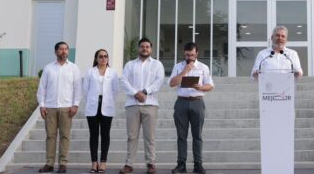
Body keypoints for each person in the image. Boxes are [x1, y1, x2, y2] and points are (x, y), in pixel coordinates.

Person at [120, 38, 166, 174]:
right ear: (138, 48)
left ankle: (151, 163)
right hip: (132, 104)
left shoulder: (157, 64)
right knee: (131, 136)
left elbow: (159, 81)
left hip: (150, 104)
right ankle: (129, 164)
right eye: (142, 46)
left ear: (151, 49)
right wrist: (135, 93)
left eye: (147, 47)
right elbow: (124, 80)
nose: (145, 49)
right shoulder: (129, 65)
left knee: (150, 136)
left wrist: (145, 92)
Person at [36, 41, 83, 173]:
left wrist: (75, 104)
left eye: (66, 49)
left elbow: (78, 88)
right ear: (56, 51)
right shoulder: (48, 68)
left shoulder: (73, 68)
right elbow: (42, 87)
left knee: (65, 136)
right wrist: (42, 105)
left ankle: (63, 163)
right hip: (50, 107)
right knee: (50, 136)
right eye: (61, 49)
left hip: (66, 108)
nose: (64, 51)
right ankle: (49, 163)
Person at [169, 42, 215, 174]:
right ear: (184, 53)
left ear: (197, 54)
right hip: (181, 102)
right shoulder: (178, 66)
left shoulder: (203, 67)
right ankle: (181, 165)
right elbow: (172, 83)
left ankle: (198, 164)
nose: (190, 57)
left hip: (197, 102)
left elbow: (210, 86)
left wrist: (201, 87)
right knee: (181, 136)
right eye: (187, 55)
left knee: (197, 135)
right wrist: (185, 71)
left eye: (192, 55)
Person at [83, 48, 120, 173]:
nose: (103, 58)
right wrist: (92, 100)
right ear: (96, 58)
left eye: (105, 56)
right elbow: (85, 90)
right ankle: (94, 162)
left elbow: (115, 90)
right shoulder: (90, 72)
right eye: (101, 56)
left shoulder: (113, 73)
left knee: (105, 135)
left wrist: (107, 100)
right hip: (93, 106)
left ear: (108, 58)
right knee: (93, 135)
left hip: (107, 106)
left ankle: (103, 162)